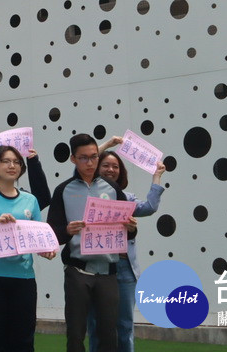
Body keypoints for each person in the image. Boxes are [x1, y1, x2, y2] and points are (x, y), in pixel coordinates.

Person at [0, 146, 58, 351]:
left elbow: (36, 239)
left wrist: (47, 250)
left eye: (16, 162)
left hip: (23, 279)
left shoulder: (30, 200)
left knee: (23, 339)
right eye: (5, 161)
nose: (11, 165)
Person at [46, 134, 132, 352]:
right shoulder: (63, 190)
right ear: (73, 159)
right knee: (75, 334)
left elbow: (128, 232)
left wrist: (132, 227)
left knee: (108, 334)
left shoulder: (112, 188)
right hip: (77, 271)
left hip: (108, 272)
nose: (90, 163)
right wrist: (66, 230)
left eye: (94, 157)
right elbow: (52, 233)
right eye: (83, 158)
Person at [86, 145, 167, 352]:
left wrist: (156, 176)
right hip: (95, 266)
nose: (110, 170)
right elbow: (78, 171)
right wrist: (106, 145)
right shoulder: (86, 193)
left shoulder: (127, 198)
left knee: (124, 325)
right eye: (105, 165)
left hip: (123, 267)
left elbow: (149, 207)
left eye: (115, 166)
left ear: (121, 171)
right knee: (96, 324)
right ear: (96, 167)